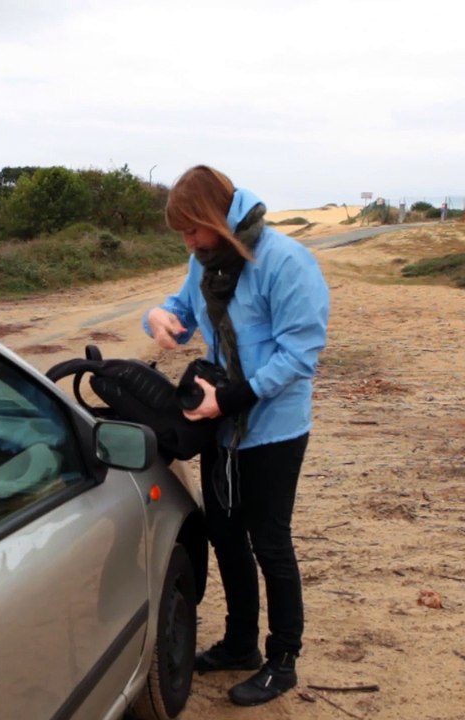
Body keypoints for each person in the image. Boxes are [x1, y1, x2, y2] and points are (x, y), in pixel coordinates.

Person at [142, 165, 329, 707]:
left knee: (270, 542)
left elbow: (300, 354)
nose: (189, 242)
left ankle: (282, 659)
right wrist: (157, 316)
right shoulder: (204, 261)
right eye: (182, 235)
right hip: (219, 428)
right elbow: (178, 309)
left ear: (217, 218)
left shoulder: (284, 261)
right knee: (224, 535)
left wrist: (231, 398)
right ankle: (241, 643)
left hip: (273, 428)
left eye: (193, 230)